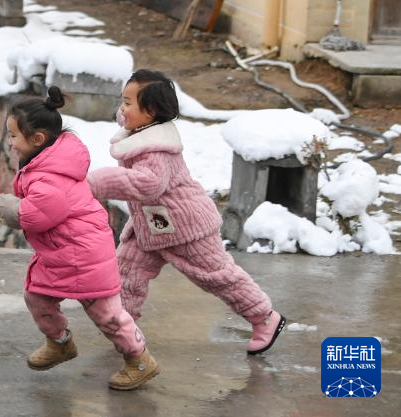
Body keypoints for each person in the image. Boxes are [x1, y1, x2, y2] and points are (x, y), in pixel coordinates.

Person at [87, 69, 286, 356]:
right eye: (123, 100)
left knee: (217, 275)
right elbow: (128, 119)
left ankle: (265, 317)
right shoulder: (142, 129)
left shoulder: (156, 150)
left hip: (186, 225)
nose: (122, 109)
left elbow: (148, 184)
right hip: (152, 226)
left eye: (128, 103)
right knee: (125, 273)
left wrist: (96, 182)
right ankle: (124, 330)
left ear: (151, 111)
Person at [0, 87, 158, 390]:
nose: (10, 144)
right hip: (63, 253)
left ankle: (140, 360)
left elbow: (33, 215)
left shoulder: (50, 177)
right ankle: (60, 342)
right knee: (37, 297)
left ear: (37, 140)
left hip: (83, 256)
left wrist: (1, 203)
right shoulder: (46, 164)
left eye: (13, 136)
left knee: (107, 315)